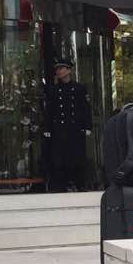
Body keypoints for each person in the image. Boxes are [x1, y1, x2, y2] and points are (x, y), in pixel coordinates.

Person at [42, 58, 92, 192]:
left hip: (75, 128)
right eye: (57, 69)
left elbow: (86, 109)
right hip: (59, 128)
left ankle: (79, 183)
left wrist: (87, 126)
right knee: (59, 158)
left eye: (62, 68)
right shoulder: (54, 90)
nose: (59, 71)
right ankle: (61, 184)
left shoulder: (79, 88)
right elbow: (49, 111)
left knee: (77, 156)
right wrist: (47, 128)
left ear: (69, 70)